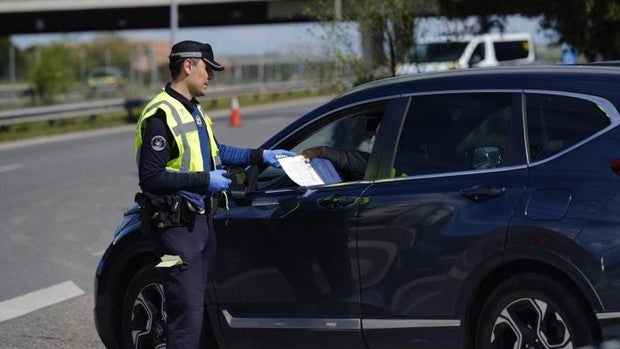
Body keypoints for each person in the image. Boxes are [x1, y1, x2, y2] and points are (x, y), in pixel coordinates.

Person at [134, 40, 294, 349]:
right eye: (208, 69)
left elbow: (219, 152)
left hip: (200, 225)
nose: (212, 77)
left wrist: (262, 156)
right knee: (186, 314)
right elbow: (150, 177)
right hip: (175, 229)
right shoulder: (161, 115)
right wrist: (203, 180)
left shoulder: (193, 110)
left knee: (196, 311)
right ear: (188, 66)